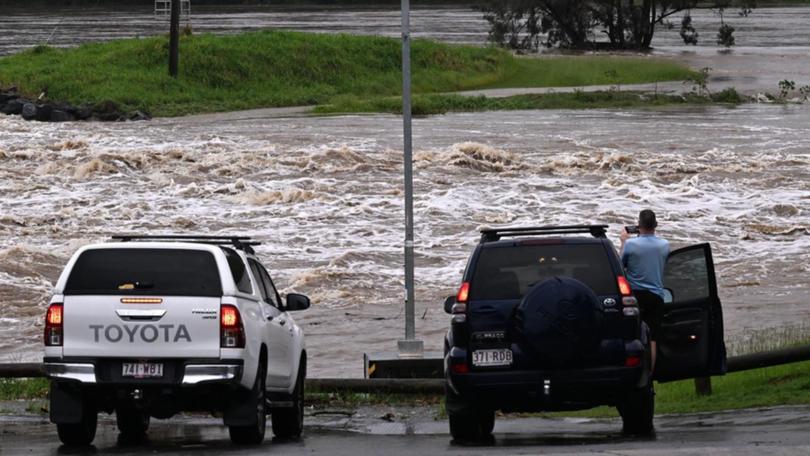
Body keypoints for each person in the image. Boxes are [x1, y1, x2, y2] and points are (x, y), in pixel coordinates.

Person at [620, 209, 669, 372]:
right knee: (653, 338)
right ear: (655, 226)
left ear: (639, 225)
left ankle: (632, 371)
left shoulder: (630, 244)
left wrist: (623, 242)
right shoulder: (664, 245)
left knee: (633, 335)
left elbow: (621, 266)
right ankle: (650, 375)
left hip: (635, 295)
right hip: (656, 296)